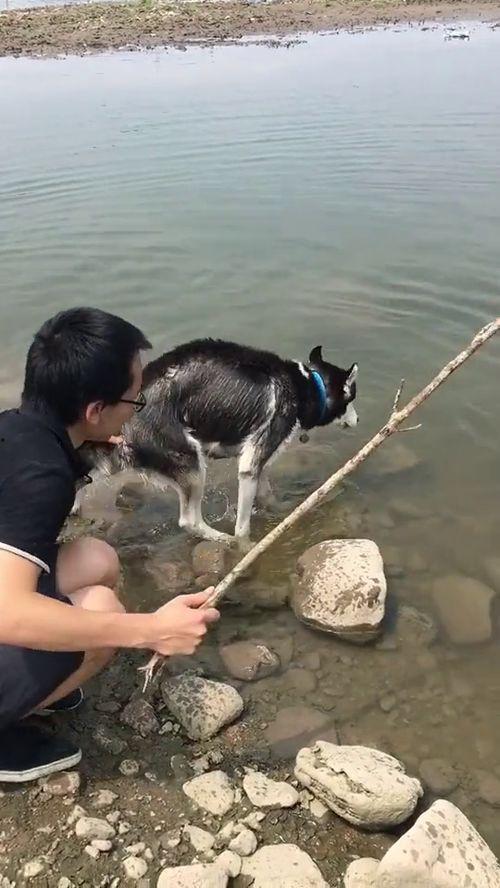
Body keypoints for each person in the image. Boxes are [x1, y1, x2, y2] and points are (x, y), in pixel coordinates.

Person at [0, 307, 219, 782]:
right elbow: (8, 613)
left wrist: (89, 448)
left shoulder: (16, 431)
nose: (135, 411)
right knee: (104, 612)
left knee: (97, 558)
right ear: (95, 410)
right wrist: (151, 630)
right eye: (134, 402)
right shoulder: (40, 476)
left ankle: (41, 680)